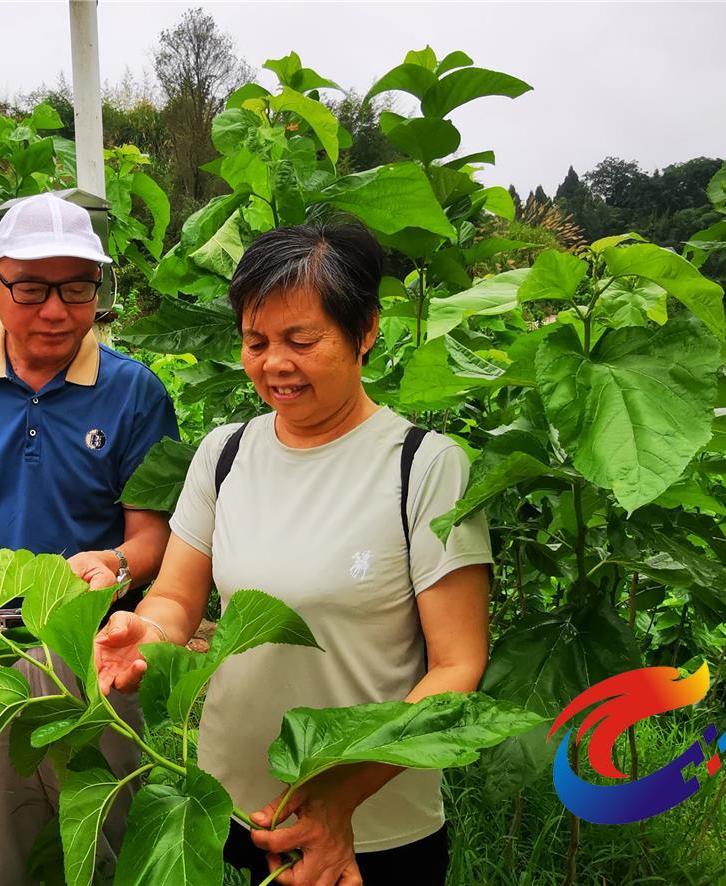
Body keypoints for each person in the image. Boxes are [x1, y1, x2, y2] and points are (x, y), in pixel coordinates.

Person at [92, 225, 495, 886]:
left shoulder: (423, 467)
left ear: (364, 330)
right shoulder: (224, 454)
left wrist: (343, 792)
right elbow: (177, 596)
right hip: (232, 812)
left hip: (375, 832)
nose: (274, 364)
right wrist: (149, 631)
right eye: (256, 342)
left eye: (301, 341)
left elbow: (458, 665)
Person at [0, 192, 181, 884]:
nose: (56, 310)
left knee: (106, 842)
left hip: (96, 655)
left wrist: (112, 560)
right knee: (8, 846)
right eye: (31, 288)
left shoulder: (135, 394)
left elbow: (151, 540)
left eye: (78, 289)